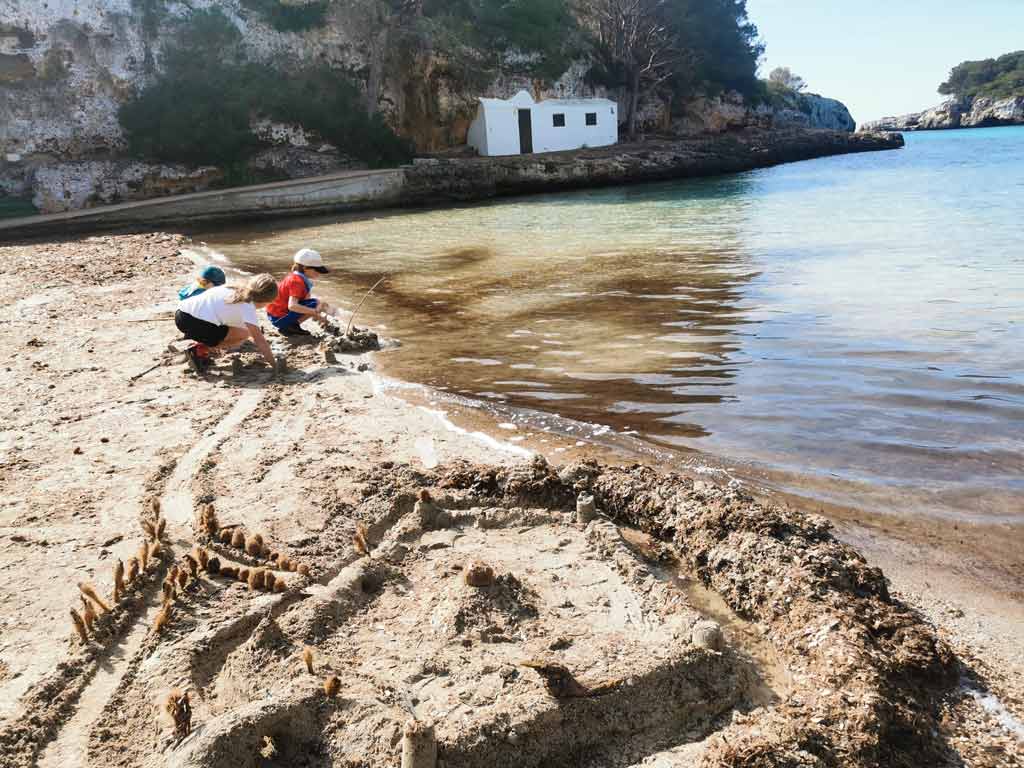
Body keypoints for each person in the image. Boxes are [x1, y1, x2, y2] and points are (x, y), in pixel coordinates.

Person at [175, 274, 279, 373]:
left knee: (237, 329)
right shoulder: (248, 307)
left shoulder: (234, 287)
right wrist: (274, 365)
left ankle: (200, 345)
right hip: (193, 323)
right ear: (266, 301)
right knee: (244, 334)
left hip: (181, 313)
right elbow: (260, 341)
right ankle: (199, 350)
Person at [265, 248, 339, 337]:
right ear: (305, 268)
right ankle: (289, 327)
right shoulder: (297, 281)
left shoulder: (299, 278)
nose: (319, 273)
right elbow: (292, 306)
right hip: (279, 317)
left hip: (277, 314)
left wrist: (319, 316)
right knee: (315, 304)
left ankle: (292, 326)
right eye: (316, 270)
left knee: (317, 303)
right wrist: (314, 312)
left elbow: (305, 301)